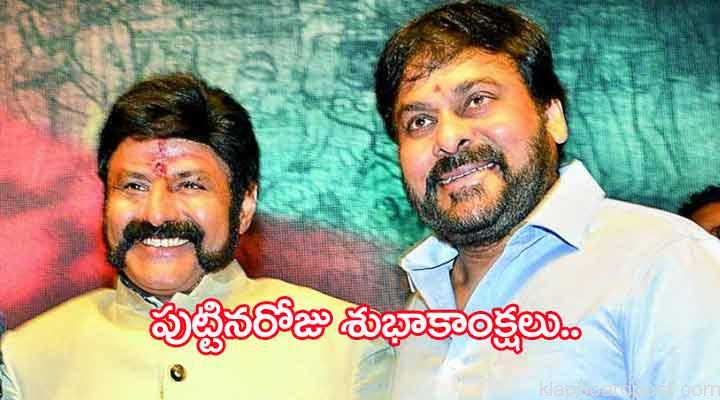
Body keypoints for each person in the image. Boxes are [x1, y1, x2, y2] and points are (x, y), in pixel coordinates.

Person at [374, 2, 720, 399]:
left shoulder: (665, 263)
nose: (448, 138)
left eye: (477, 100)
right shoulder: (420, 311)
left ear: (552, 116)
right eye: (419, 121)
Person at [0, 72, 392, 399]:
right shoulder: (30, 359)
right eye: (134, 186)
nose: (156, 214)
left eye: (190, 185)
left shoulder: (345, 348)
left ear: (244, 205)